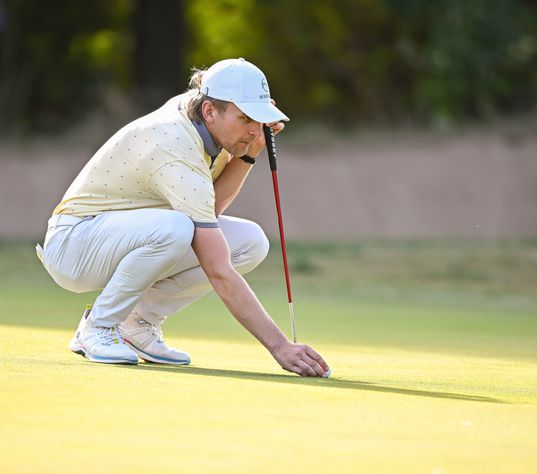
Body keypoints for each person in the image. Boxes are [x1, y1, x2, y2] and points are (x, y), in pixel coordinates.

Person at [36, 58, 330, 377]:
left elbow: (209, 211)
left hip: (119, 236)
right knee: (176, 229)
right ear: (209, 111)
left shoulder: (209, 122)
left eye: (258, 119)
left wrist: (249, 152)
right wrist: (280, 346)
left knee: (250, 242)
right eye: (245, 117)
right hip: (74, 245)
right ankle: (98, 327)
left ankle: (137, 324)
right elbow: (217, 269)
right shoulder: (173, 142)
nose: (252, 129)